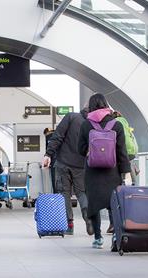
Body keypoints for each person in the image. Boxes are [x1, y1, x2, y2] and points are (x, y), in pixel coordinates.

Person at [78, 93, 131, 249]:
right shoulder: (116, 125)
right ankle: (116, 236)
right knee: (113, 204)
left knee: (93, 203)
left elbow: (80, 149)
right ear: (106, 105)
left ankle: (98, 237)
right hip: (112, 171)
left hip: (93, 171)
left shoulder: (86, 125)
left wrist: (89, 150)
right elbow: (122, 152)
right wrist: (125, 172)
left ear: (91, 106)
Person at [42, 107, 93, 236]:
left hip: (63, 162)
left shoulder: (71, 117)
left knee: (64, 193)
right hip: (81, 164)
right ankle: (88, 217)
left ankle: (69, 225)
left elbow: (57, 136)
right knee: (82, 192)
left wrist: (48, 154)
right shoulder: (92, 123)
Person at [43, 128, 56, 193]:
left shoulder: (48, 137)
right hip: (64, 162)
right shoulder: (60, 134)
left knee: (54, 180)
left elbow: (48, 151)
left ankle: (56, 197)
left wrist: (47, 163)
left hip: (53, 162)